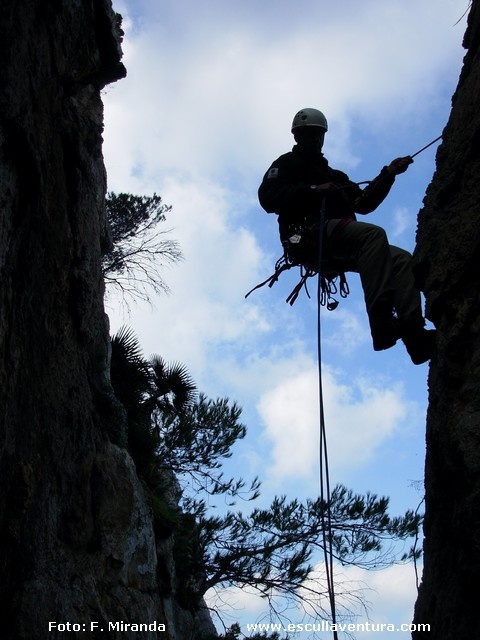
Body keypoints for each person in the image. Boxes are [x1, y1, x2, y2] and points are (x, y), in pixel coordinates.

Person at [258, 107, 435, 365]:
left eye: (318, 134)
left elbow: (363, 203)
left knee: (401, 260)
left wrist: (388, 174)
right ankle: (382, 324)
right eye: (308, 134)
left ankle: (415, 337)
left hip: (337, 241)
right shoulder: (286, 164)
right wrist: (312, 190)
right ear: (297, 136)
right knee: (373, 236)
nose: (314, 139)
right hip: (308, 234)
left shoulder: (334, 176)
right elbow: (268, 198)